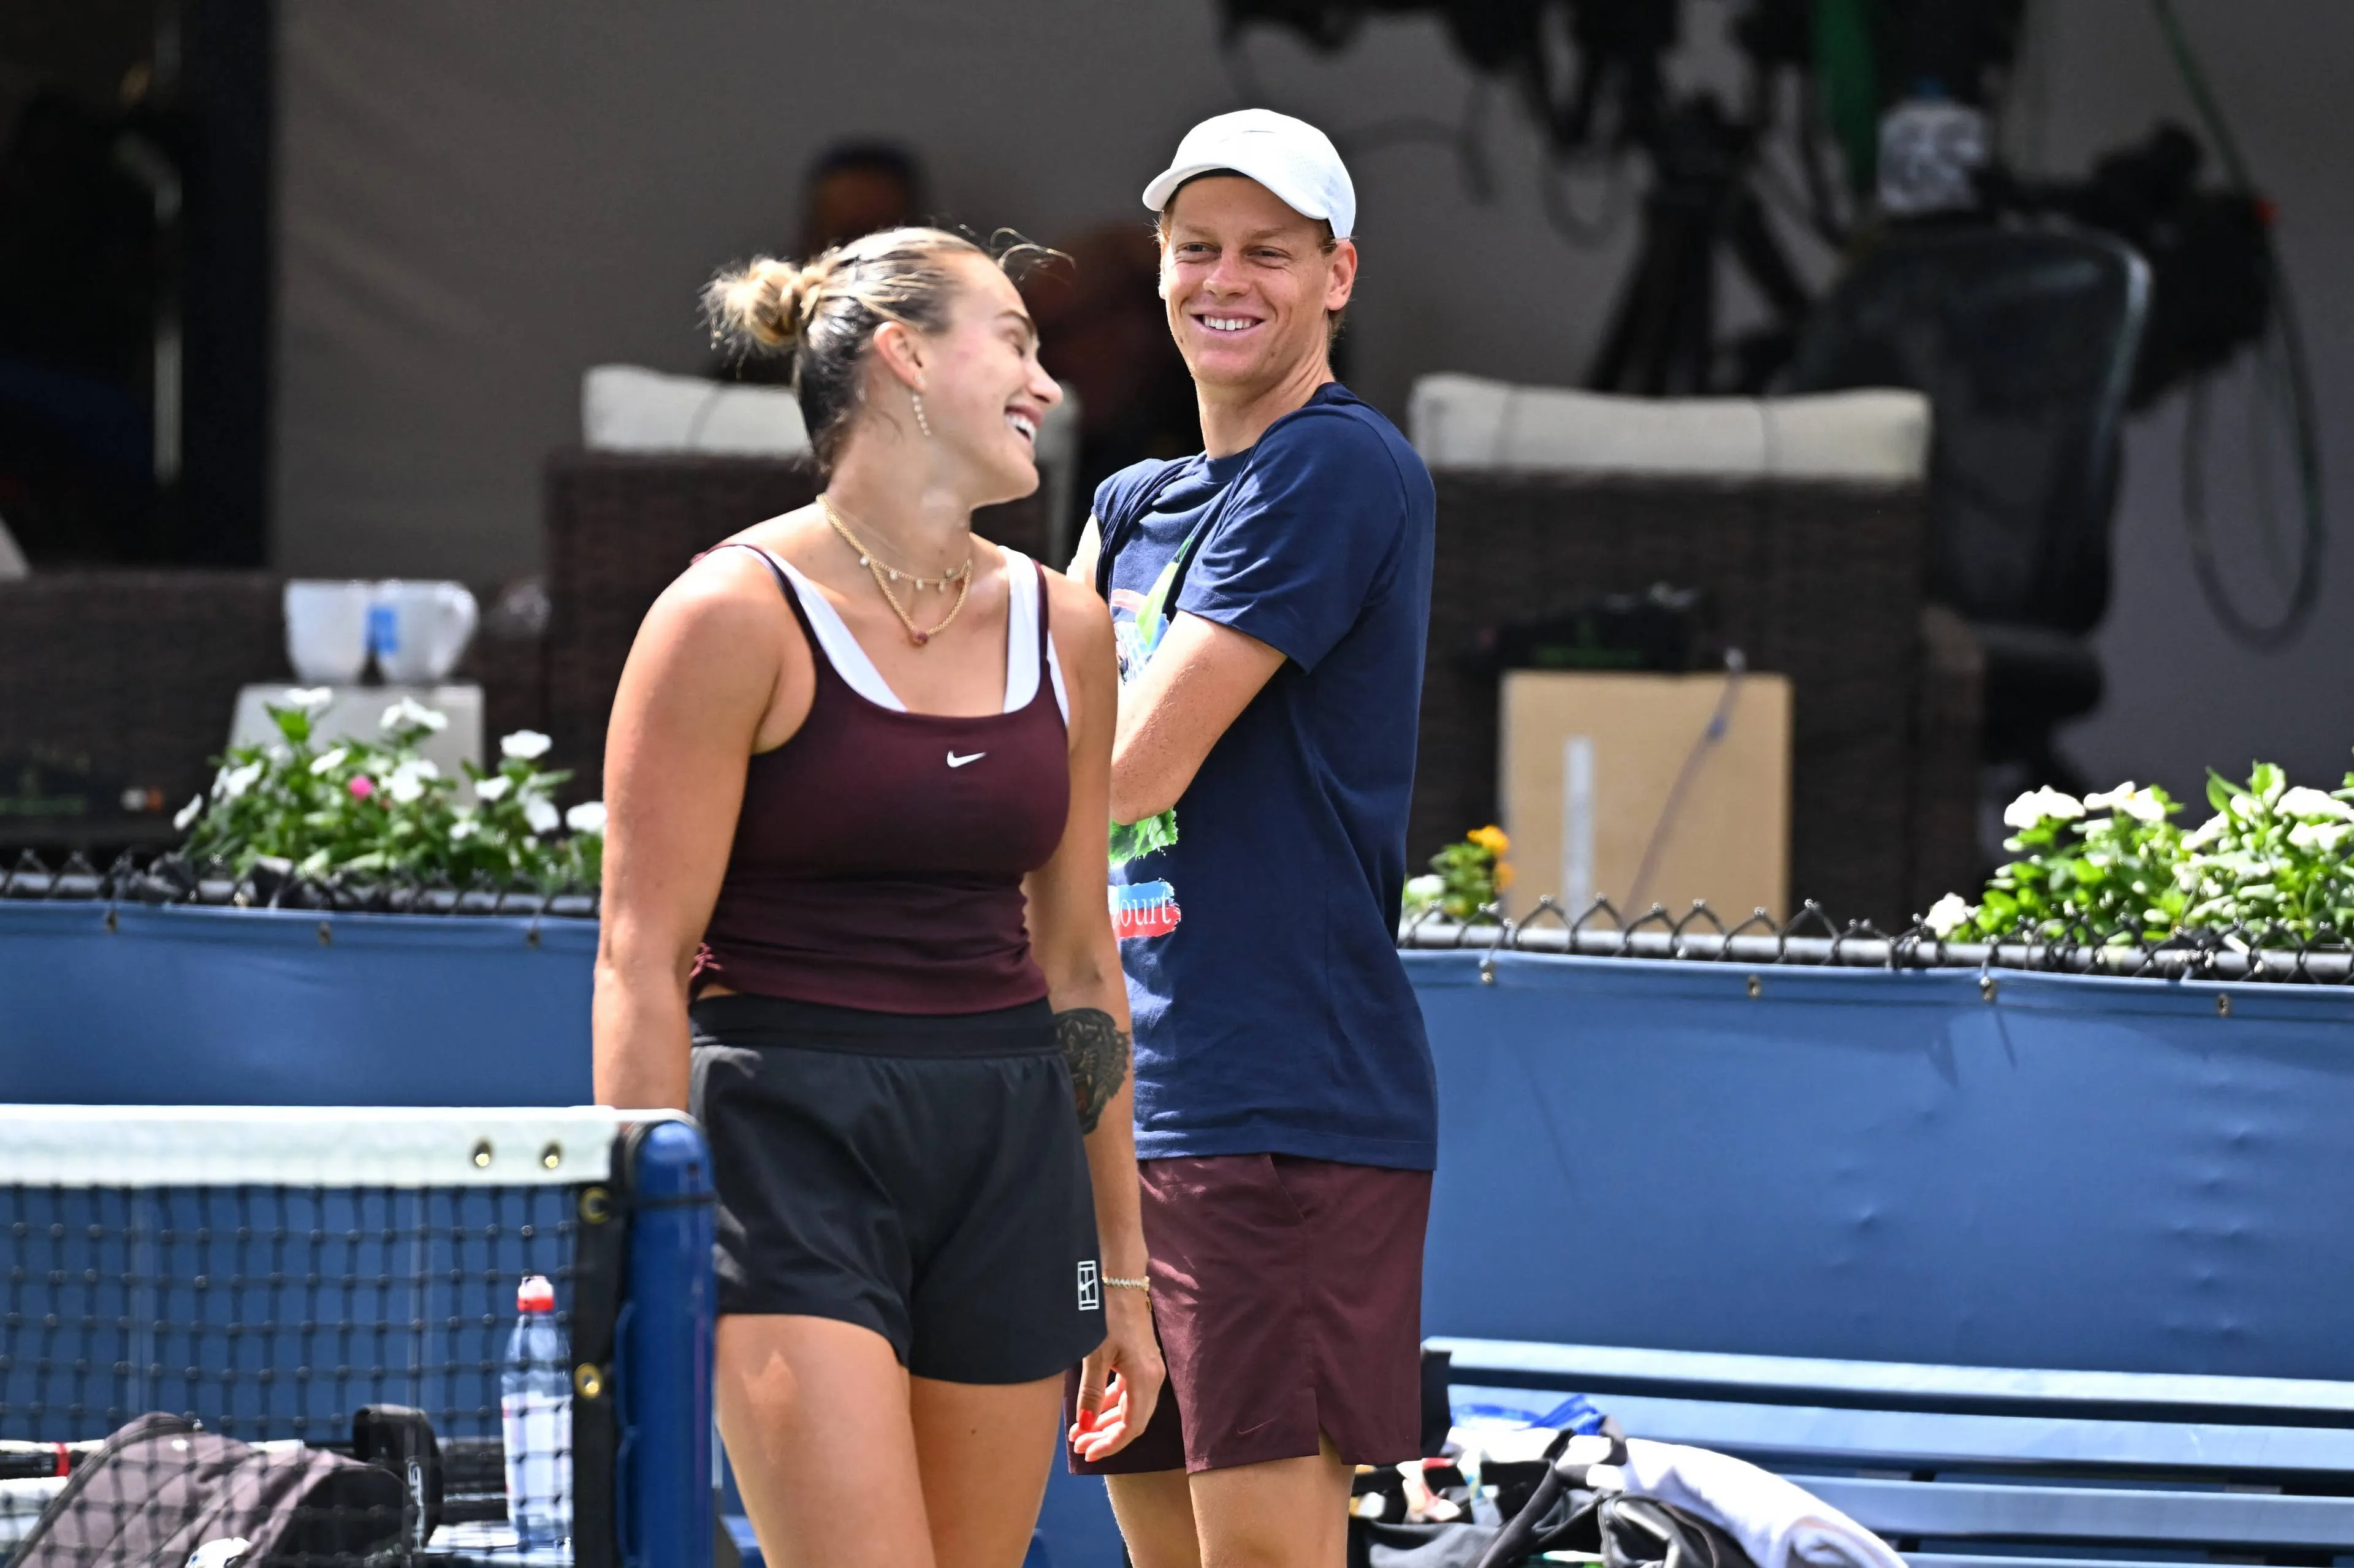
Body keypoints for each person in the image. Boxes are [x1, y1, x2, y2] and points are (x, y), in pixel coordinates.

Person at [592, 226, 1162, 1568]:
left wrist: (1126, 1269)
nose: (1048, 385)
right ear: (906, 357)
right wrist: (639, 1253)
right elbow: (640, 958)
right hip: (786, 1146)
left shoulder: (1068, 627)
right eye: (1015, 342)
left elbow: (1080, 961)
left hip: (1009, 1152)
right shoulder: (726, 614)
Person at [1063, 110, 1439, 1567]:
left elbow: (1121, 765)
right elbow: (1023, 718)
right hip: (1122, 1124)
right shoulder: (1131, 500)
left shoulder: (1336, 468)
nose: (1228, 279)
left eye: (1269, 252)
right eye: (1196, 248)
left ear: (1337, 276)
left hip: (1282, 1107)